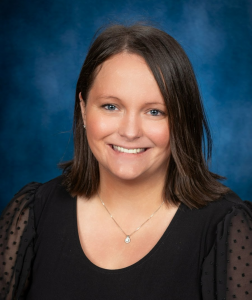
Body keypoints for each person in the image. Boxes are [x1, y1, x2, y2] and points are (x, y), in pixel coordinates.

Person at [0, 24, 251, 300]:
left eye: (155, 111)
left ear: (182, 120)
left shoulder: (228, 229)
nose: (130, 131)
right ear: (83, 109)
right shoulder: (32, 214)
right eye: (111, 106)